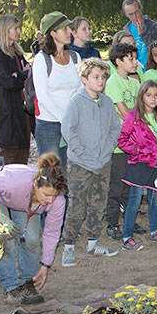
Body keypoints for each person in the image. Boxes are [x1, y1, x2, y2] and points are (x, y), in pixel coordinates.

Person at [0, 153, 67, 305]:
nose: (49, 200)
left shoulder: (57, 201)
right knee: (5, 241)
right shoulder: (9, 182)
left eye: (54, 196)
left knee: (32, 239)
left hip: (26, 206)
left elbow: (51, 233)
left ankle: (28, 283)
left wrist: (45, 265)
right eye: (46, 195)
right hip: (2, 198)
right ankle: (10, 287)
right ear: (35, 185)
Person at [60, 58, 121, 265]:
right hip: (80, 164)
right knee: (77, 204)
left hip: (103, 162)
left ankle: (93, 243)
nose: (100, 81)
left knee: (98, 203)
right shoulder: (76, 102)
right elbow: (68, 130)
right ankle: (68, 245)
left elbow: (115, 127)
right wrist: (81, 151)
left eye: (103, 77)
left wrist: (108, 148)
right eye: (95, 77)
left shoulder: (106, 102)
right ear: (84, 79)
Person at [117, 81, 157, 248]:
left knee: (154, 199)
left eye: (156, 95)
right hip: (140, 163)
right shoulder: (132, 117)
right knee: (135, 200)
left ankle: (154, 231)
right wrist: (137, 149)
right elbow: (121, 140)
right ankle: (127, 237)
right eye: (148, 95)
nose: (153, 99)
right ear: (141, 97)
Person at [31, 12, 82, 169]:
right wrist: (64, 119)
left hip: (72, 122)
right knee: (51, 173)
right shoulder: (41, 60)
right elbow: (43, 96)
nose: (69, 32)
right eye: (64, 28)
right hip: (49, 123)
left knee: (71, 170)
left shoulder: (75, 57)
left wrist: (74, 118)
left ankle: (68, 195)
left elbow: (81, 88)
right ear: (53, 33)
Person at [103, 41, 143, 239]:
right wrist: (140, 125)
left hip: (135, 142)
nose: (135, 62)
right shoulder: (112, 82)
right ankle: (112, 223)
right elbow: (125, 112)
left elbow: (141, 109)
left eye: (135, 58)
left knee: (131, 184)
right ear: (118, 61)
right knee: (117, 185)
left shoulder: (135, 83)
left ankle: (129, 219)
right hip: (121, 144)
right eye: (131, 59)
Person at [0, 14, 33, 165]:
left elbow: (28, 73)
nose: (19, 31)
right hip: (8, 113)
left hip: (22, 111)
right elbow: (9, 82)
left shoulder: (17, 52)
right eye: (15, 28)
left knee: (23, 153)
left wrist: (19, 75)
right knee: (10, 156)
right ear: (5, 30)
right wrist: (22, 75)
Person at [121, 0, 157, 69]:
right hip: (134, 72)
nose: (135, 16)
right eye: (131, 14)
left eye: (136, 12)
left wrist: (143, 34)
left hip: (154, 71)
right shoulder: (125, 32)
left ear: (140, 9)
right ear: (126, 15)